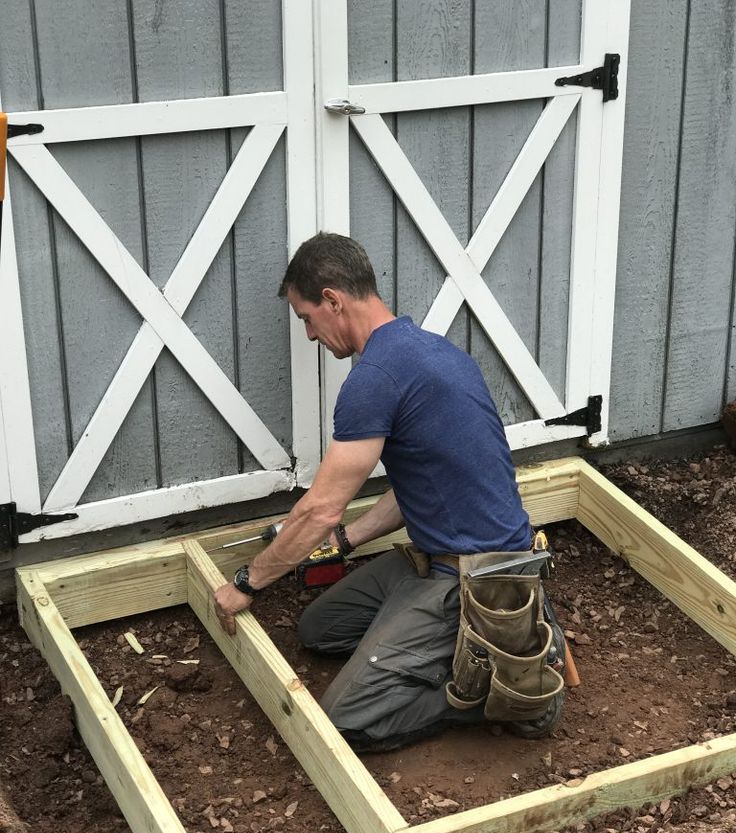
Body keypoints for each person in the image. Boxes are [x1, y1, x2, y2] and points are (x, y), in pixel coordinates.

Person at [214, 232, 564, 751]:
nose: (310, 335)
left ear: (333, 300)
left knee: (346, 719)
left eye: (307, 318)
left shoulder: (376, 376)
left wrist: (247, 582)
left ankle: (508, 689)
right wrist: (348, 542)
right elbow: (419, 483)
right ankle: (452, 646)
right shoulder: (434, 352)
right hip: (437, 557)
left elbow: (318, 509)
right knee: (320, 630)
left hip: (477, 577)